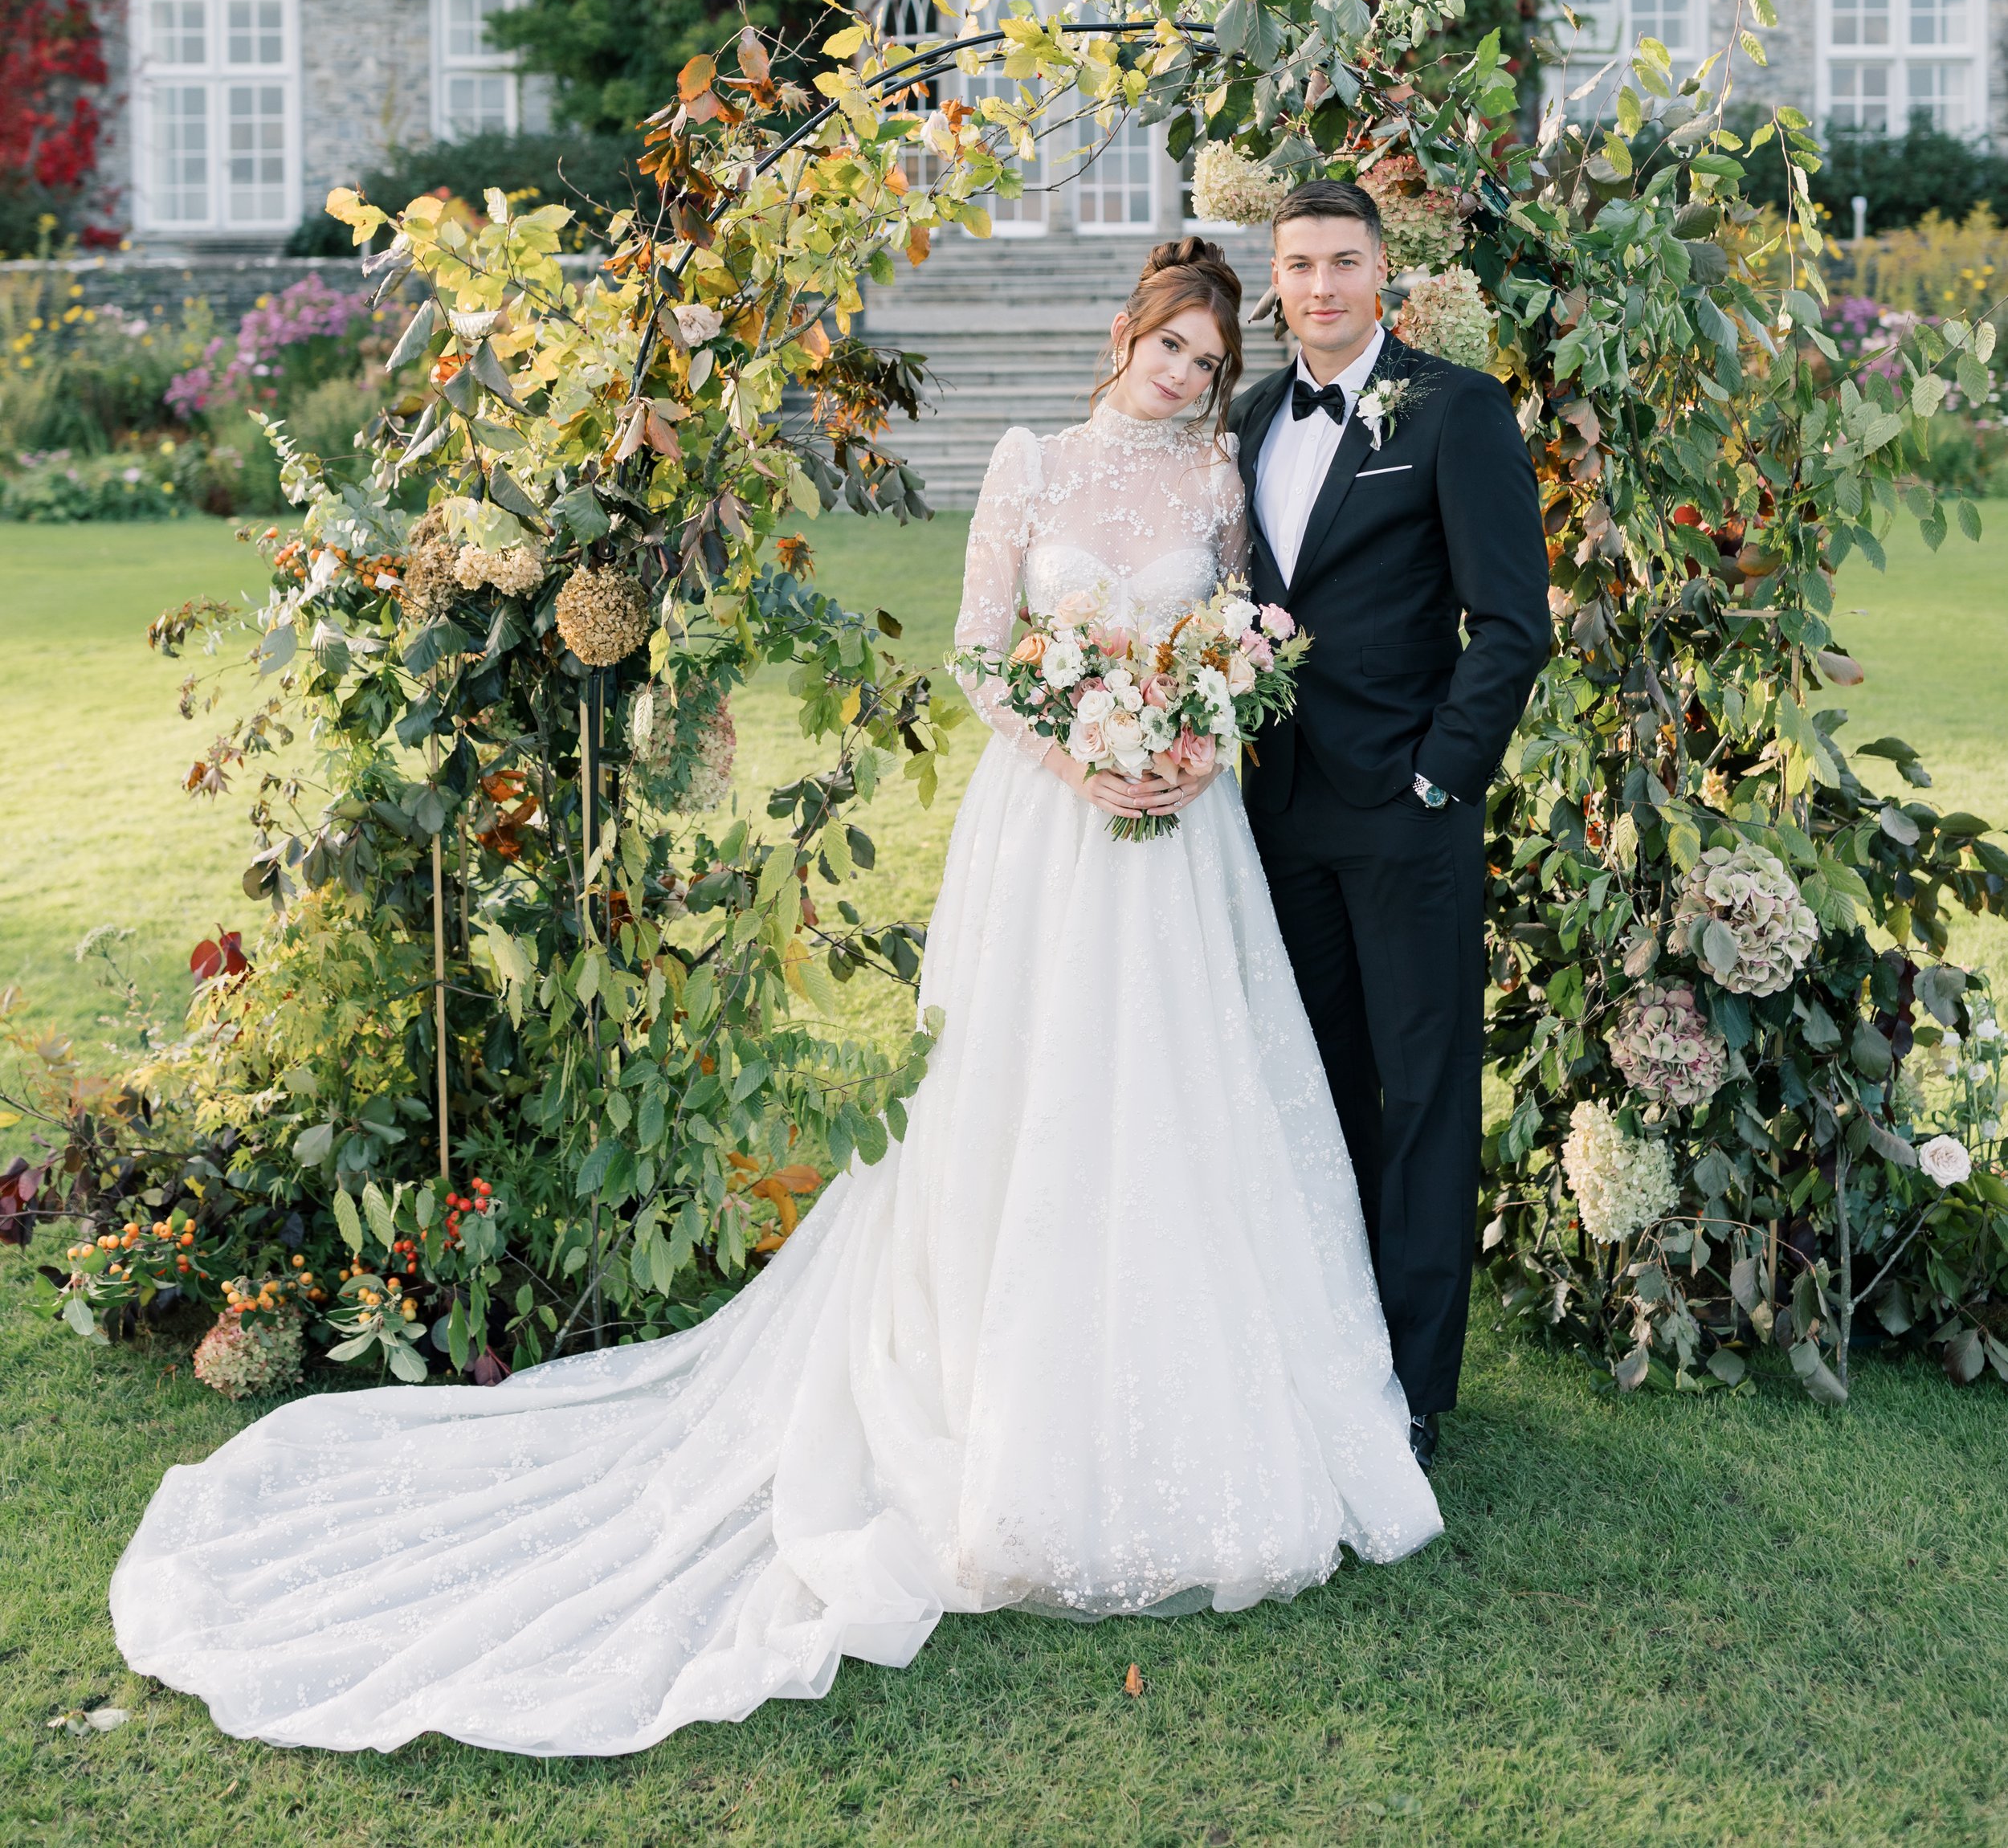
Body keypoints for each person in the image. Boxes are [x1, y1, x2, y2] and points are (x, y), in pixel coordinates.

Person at [111, 236, 1439, 1759]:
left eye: (1213, 360)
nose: (1190, 375)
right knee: (1026, 1096)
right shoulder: (1028, 461)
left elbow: (1235, 652)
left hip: (1182, 836)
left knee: (1189, 1098)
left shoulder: (1216, 486)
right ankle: (1005, 1386)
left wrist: (1194, 743)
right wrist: (1082, 754)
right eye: (1175, 345)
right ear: (1129, 332)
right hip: (1052, 829)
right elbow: (981, 653)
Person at [1231, 182, 1552, 1474]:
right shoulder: (1253, 416)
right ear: (1277, 277)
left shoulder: (1455, 409)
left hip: (1408, 818)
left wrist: (1440, 778)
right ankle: (1330, 1351)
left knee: (1421, 1098)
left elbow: (1511, 623)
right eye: (1300, 264)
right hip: (1282, 816)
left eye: (1343, 262)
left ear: (1385, 273)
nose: (1321, 286)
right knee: (1318, 1094)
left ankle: (1414, 1390)